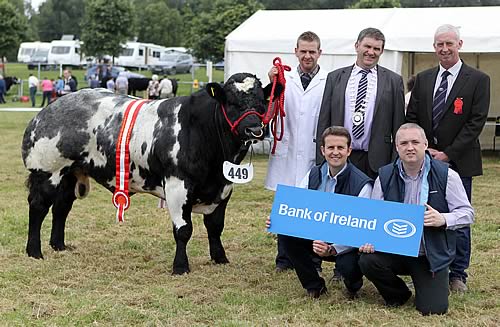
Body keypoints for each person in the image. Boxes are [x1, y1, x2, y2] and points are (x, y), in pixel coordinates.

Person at [406, 24, 490, 293]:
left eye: (449, 44)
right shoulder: (423, 78)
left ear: (459, 44)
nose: (444, 49)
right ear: (434, 47)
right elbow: (413, 118)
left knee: (458, 218)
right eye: (439, 44)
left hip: (460, 160)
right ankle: (428, 266)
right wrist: (425, 149)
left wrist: (448, 153)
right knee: (424, 214)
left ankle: (458, 273)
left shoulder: (478, 79)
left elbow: (476, 122)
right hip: (425, 160)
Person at [358, 123, 474, 315]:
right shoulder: (384, 175)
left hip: (428, 254)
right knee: (367, 260)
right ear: (396, 147)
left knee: (434, 309)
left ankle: (429, 284)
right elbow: (374, 215)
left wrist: (443, 219)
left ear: (425, 144)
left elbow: (467, 213)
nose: (409, 147)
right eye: (403, 143)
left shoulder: (447, 175)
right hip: (395, 249)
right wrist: (371, 240)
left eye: (415, 142)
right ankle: (398, 294)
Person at [267, 126, 373, 299]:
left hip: (346, 244)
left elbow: (362, 230)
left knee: (348, 266)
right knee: (286, 235)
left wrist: (332, 249)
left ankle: (353, 285)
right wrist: (279, 219)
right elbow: (297, 207)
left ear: (349, 150)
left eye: (340, 148)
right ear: (323, 150)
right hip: (316, 237)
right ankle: (314, 286)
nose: (335, 152)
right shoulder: (313, 174)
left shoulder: (363, 184)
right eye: (331, 148)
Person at [264, 31, 328, 273]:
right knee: (286, 204)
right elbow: (268, 108)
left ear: (320, 53)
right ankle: (284, 258)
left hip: (313, 150)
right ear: (296, 52)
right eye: (303, 51)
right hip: (288, 150)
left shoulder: (327, 80)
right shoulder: (283, 78)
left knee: (314, 208)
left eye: (312, 51)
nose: (307, 56)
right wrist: (271, 83)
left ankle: (314, 260)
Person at [316, 27, 405, 180]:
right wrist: (321, 160)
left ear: (382, 51)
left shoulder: (394, 81)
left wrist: (395, 162)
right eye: (367, 46)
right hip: (340, 157)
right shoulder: (335, 77)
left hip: (377, 160)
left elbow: (398, 126)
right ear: (357, 46)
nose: (371, 52)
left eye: (376, 48)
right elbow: (324, 119)